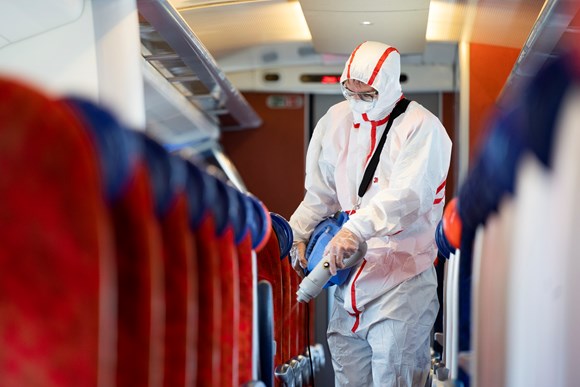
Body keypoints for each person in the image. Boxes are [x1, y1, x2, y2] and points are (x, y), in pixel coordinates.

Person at [288, 41, 452, 386]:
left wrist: (355, 230)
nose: (357, 101)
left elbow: (406, 198)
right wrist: (297, 233)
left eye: (368, 94)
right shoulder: (335, 121)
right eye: (350, 91)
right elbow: (320, 194)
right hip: (348, 287)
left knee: (394, 377)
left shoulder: (422, 127)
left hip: (402, 283)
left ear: (390, 85)